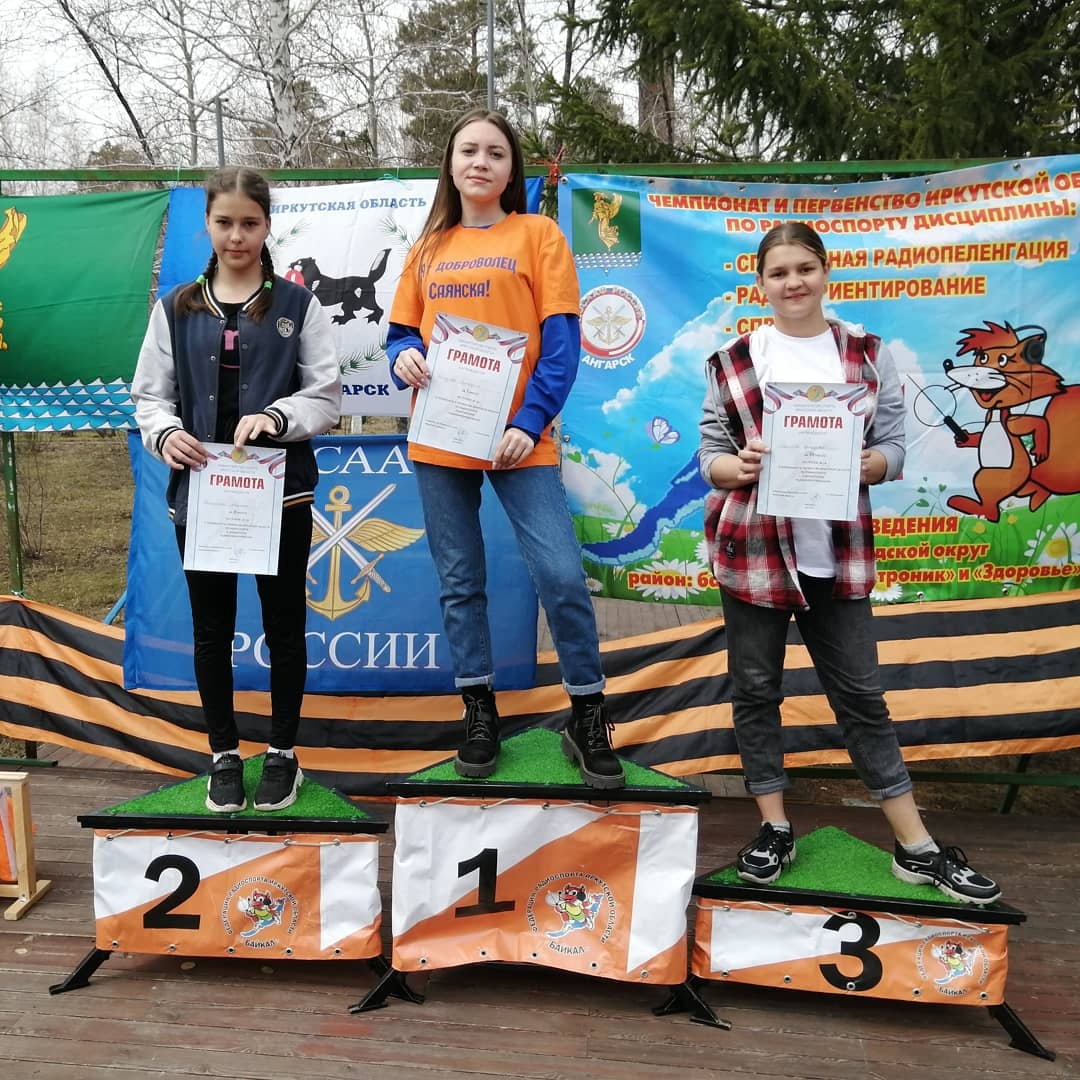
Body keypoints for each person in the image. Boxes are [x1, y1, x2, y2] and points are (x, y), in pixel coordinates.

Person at [698, 221, 1000, 903]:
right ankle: (775, 828)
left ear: (825, 272)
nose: (793, 283)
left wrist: (874, 464)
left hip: (839, 554)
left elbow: (893, 444)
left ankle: (915, 847)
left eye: (804, 268)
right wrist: (736, 467)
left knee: (861, 696)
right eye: (779, 272)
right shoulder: (735, 360)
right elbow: (710, 454)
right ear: (760, 283)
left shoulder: (866, 353)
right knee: (755, 691)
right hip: (753, 554)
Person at [386, 108, 623, 789]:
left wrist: (530, 419)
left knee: (560, 576)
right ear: (451, 163)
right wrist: (403, 356)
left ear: (511, 168)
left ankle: (587, 714)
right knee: (460, 581)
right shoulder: (428, 247)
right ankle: (479, 711)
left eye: (495, 152)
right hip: (441, 439)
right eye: (469, 150)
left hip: (522, 438)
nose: (481, 162)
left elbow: (563, 343)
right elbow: (401, 333)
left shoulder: (538, 234)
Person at [132, 166, 340, 814]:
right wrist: (165, 434)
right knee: (211, 630)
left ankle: (283, 754)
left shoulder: (300, 306)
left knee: (284, 628)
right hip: (202, 497)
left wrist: (278, 418)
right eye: (224, 222)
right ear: (207, 225)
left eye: (250, 223)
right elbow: (149, 397)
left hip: (281, 497)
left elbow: (325, 396)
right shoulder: (175, 309)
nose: (237, 236)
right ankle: (223, 754)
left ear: (267, 225)